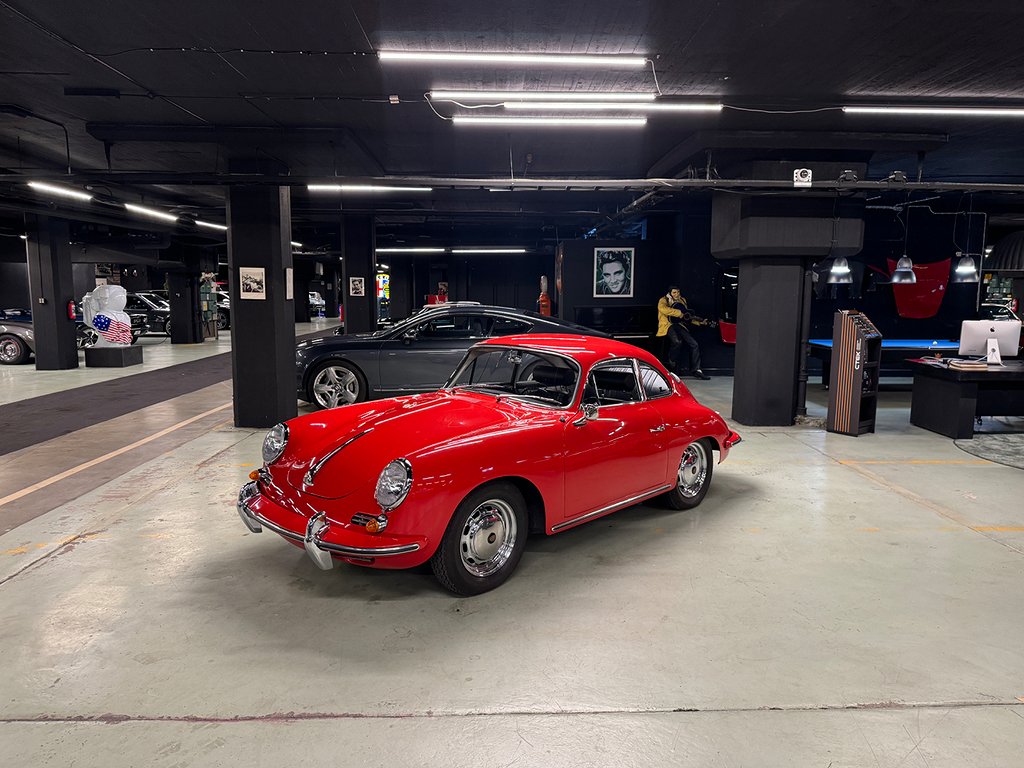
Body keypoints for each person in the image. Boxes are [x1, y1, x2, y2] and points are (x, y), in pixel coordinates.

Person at [656, 286, 710, 379]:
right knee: (677, 342)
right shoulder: (663, 300)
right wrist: (679, 313)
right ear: (670, 293)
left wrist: (699, 322)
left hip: (679, 325)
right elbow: (664, 309)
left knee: (694, 344)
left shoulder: (682, 300)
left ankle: (696, 370)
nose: (677, 294)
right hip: (667, 325)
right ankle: (671, 362)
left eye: (678, 292)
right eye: (674, 292)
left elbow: (686, 316)